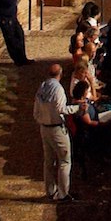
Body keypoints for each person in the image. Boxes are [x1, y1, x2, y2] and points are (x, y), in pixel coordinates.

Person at [33, 62, 78, 201]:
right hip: (56, 128)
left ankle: (50, 191)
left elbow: (36, 110)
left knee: (48, 161)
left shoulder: (42, 87)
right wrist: (77, 108)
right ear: (60, 74)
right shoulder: (58, 89)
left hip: (44, 128)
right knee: (65, 161)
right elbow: (62, 109)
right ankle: (63, 194)